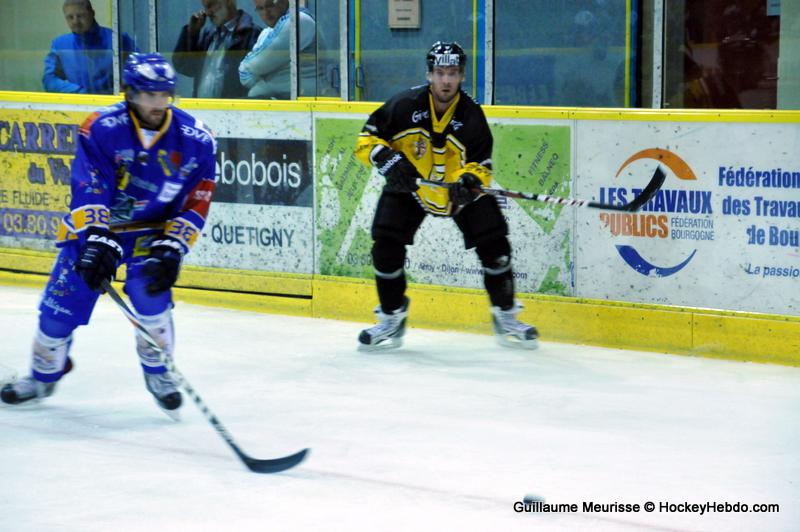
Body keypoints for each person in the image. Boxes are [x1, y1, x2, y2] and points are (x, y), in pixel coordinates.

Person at [1, 53, 217, 412]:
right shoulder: (101, 127)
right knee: (59, 309)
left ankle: (158, 372)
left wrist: (174, 245)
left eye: (165, 94)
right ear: (129, 92)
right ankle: (42, 377)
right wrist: (98, 236)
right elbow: (90, 184)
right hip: (98, 229)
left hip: (152, 231)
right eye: (149, 95)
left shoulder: (197, 138)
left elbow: (199, 197)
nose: (158, 103)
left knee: (151, 298)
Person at [354, 41, 539, 351]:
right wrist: (385, 159)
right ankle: (391, 315)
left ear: (462, 76)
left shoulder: (472, 116)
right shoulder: (404, 106)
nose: (446, 81)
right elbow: (366, 138)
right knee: (385, 247)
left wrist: (470, 181)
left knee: (497, 249)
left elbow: (483, 164)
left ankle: (505, 313)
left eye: (452, 73)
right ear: (429, 75)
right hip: (412, 188)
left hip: (458, 193)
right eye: (440, 73)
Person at [43, 0, 136, 94]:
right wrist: (80, 92)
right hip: (79, 105)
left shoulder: (118, 40)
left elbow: (137, 73)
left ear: (92, 14)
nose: (75, 21)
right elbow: (49, 80)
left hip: (113, 104)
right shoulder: (60, 45)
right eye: (70, 17)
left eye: (80, 16)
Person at [172, 0, 261, 99]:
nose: (208, 12)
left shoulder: (253, 35)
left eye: (211, 5)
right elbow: (185, 67)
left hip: (235, 110)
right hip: (202, 109)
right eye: (205, 7)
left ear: (229, 1)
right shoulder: (208, 34)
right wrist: (191, 33)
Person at [238, 0, 317, 99]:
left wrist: (263, 83)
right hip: (280, 103)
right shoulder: (266, 33)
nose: (266, 13)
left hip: (306, 102)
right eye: (261, 8)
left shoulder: (299, 20)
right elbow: (244, 74)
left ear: (284, 1)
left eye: (270, 6)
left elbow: (256, 66)